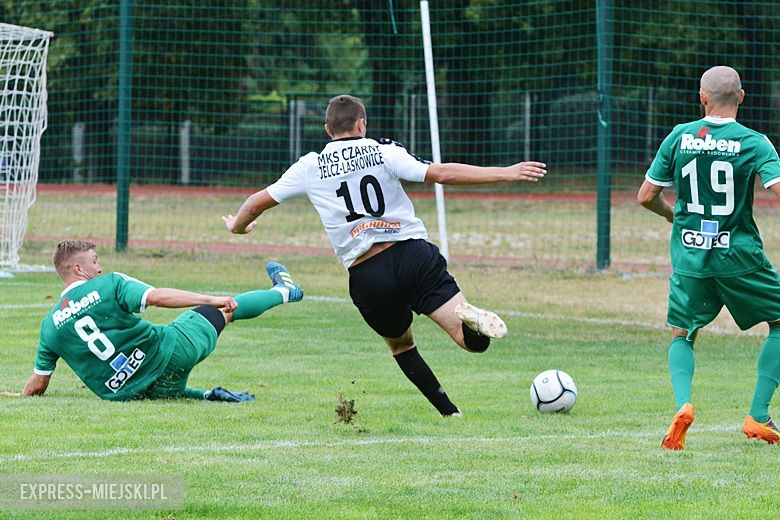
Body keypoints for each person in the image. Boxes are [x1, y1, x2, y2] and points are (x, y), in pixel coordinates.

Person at [223, 94, 546, 416]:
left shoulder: (310, 165)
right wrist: (506, 172)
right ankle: (473, 321)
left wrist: (238, 227)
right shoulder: (383, 150)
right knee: (469, 341)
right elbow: (442, 173)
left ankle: (450, 412)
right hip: (414, 256)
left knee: (403, 345)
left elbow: (256, 202)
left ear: (327, 129)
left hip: (367, 273)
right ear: (361, 124)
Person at [638, 66, 780, 449]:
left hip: (690, 256)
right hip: (739, 257)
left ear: (702, 97)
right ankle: (758, 414)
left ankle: (684, 404)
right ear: (742, 97)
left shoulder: (679, 136)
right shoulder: (755, 142)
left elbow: (646, 196)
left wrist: (676, 216)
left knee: (682, 333)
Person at [23, 240, 304, 402]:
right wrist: (209, 299)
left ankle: (208, 395)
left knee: (163, 387)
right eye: (95, 261)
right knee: (225, 311)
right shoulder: (109, 283)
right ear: (78, 269)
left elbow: (38, 384)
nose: (99, 267)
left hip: (127, 392)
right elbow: (156, 296)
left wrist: (21, 397)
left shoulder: (49, 327)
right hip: (170, 356)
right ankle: (284, 291)